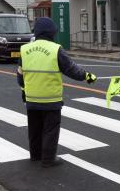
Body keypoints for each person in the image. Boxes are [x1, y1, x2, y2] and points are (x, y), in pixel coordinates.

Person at [17, 17, 97, 168]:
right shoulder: (55, 49)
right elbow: (71, 69)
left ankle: (35, 156)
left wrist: (23, 90)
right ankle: (48, 159)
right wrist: (87, 76)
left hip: (32, 100)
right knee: (50, 130)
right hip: (50, 99)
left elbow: (20, 74)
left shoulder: (25, 49)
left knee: (34, 129)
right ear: (52, 32)